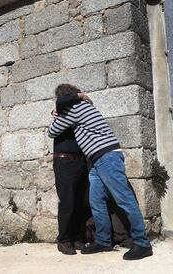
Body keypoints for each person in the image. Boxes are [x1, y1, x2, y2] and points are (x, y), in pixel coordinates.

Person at [48, 84, 152, 260]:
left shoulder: (76, 108)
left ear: (65, 98)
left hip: (107, 157)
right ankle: (103, 241)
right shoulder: (82, 107)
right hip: (96, 160)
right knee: (96, 201)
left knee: (124, 199)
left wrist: (68, 105)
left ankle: (142, 243)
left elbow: (52, 131)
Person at [50, 92, 92, 255]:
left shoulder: (80, 115)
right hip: (64, 161)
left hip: (80, 160)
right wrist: (79, 95)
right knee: (67, 202)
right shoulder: (61, 116)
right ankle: (64, 240)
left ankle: (77, 238)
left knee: (82, 201)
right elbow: (62, 100)